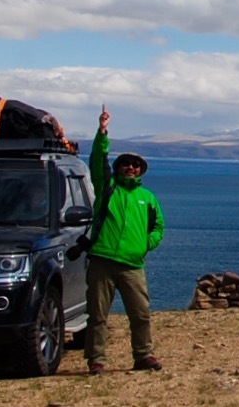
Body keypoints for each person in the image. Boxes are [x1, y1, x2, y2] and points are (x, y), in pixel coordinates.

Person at [84, 106, 166, 374]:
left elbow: (158, 227)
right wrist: (103, 131)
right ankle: (96, 360)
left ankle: (143, 356)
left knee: (140, 314)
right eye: (125, 164)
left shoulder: (148, 199)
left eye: (135, 165)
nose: (130, 167)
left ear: (141, 170)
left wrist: (145, 244)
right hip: (102, 259)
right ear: (118, 168)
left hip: (132, 263)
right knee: (97, 316)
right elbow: (97, 160)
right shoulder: (108, 188)